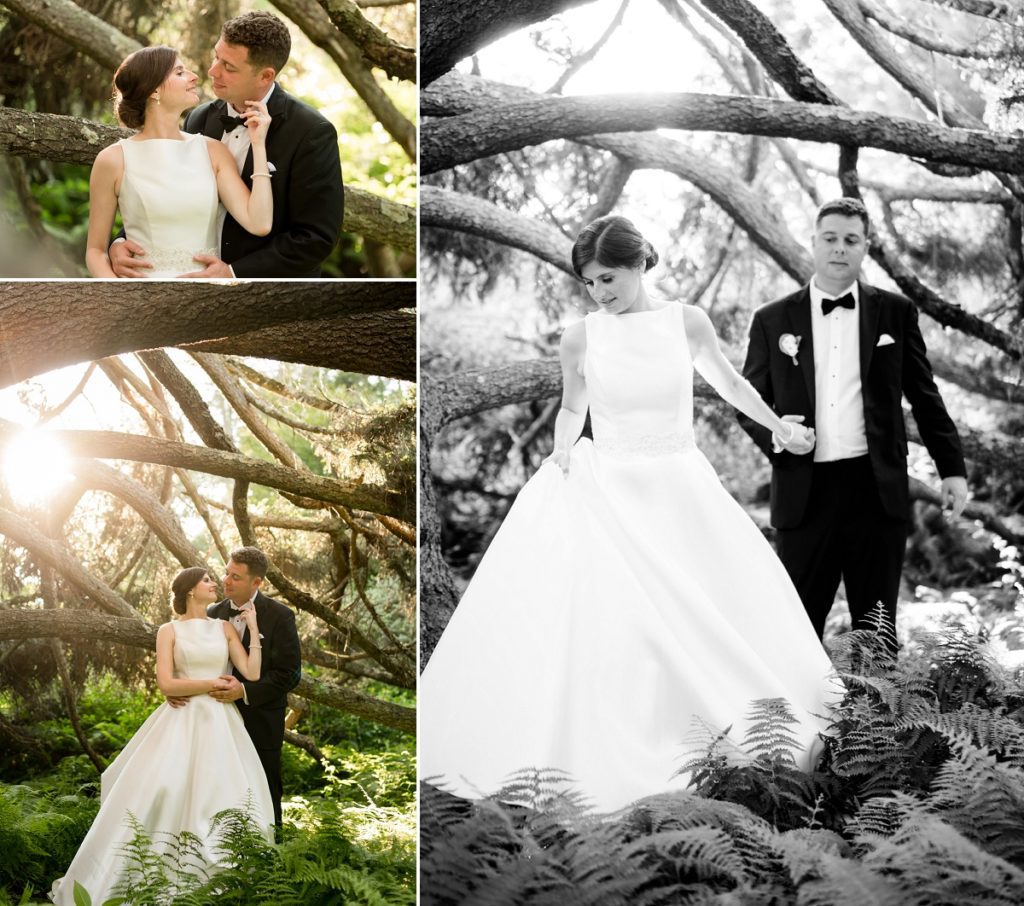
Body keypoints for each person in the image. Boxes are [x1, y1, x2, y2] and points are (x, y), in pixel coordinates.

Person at [420, 215, 840, 813]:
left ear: (641, 263)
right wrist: (563, 449)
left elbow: (729, 385)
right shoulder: (581, 336)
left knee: (714, 607)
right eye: (589, 283)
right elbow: (572, 408)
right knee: (628, 625)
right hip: (613, 488)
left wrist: (780, 428)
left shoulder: (686, 322)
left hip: (681, 487)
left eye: (609, 278)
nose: (600, 293)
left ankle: (737, 738)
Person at [738, 197, 968, 641]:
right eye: (830, 238)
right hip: (804, 492)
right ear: (814, 242)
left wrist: (952, 468)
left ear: (865, 247)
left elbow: (924, 395)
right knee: (797, 628)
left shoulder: (895, 313)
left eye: (851, 240)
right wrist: (780, 436)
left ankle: (878, 712)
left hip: (875, 490)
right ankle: (801, 711)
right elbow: (748, 400)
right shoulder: (771, 319)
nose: (839, 248)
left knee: (876, 626)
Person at [49, 568, 273, 905]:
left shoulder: (224, 627)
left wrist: (253, 629)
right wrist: (211, 684)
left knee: (223, 793)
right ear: (189, 591)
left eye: (214, 580)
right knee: (164, 791)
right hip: (182, 718)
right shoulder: (168, 631)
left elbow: (252, 673)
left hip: (221, 723)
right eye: (208, 581)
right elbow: (167, 684)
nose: (215, 585)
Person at [108, 11, 344, 279]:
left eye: (229, 67)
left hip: (265, 294)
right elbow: (163, 192)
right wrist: (120, 243)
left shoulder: (311, 132)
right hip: (179, 276)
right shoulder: (200, 118)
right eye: (216, 56)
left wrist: (233, 273)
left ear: (265, 76)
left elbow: (316, 238)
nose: (212, 71)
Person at [86, 45, 273, 278]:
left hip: (205, 298)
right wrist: (122, 300)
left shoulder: (213, 151)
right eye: (180, 72)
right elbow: (95, 251)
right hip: (140, 298)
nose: (194, 76)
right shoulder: (112, 159)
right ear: (154, 90)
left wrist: (258, 144)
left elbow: (259, 223)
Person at [203, 546, 301, 827]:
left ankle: (272, 856)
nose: (226, 581)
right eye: (226, 573)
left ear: (256, 582)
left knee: (265, 786)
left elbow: (290, 674)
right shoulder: (212, 613)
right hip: (216, 717)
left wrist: (244, 692)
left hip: (261, 719)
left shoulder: (280, 616)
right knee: (217, 786)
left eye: (235, 576)